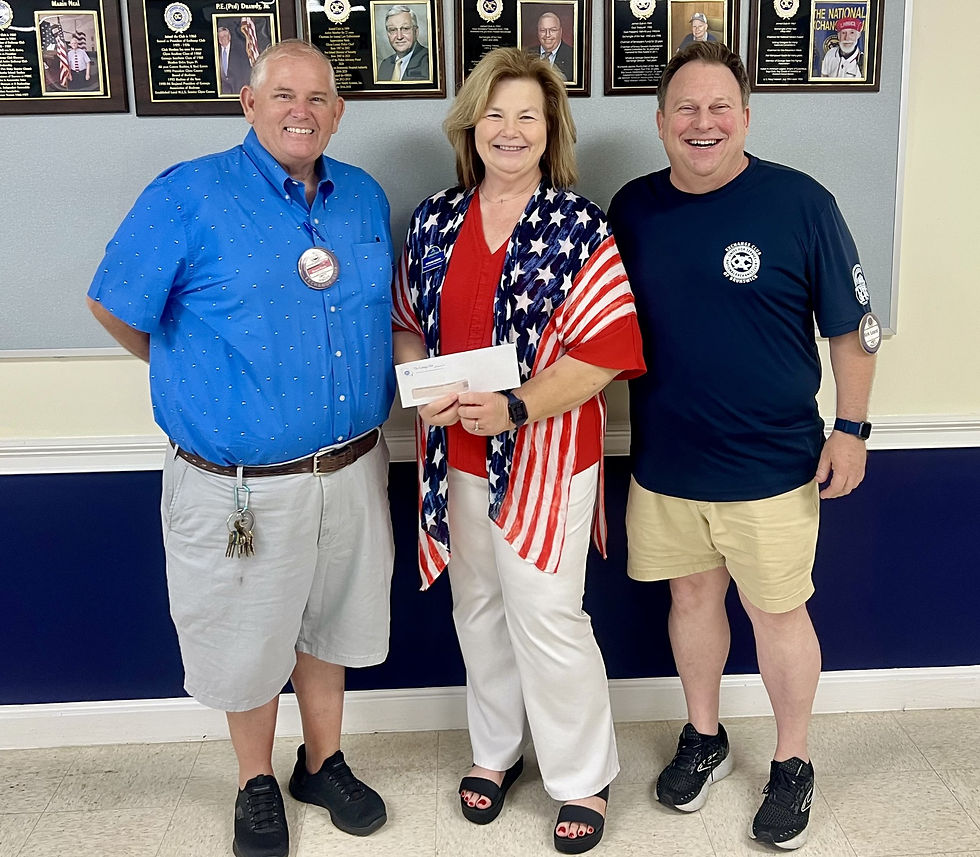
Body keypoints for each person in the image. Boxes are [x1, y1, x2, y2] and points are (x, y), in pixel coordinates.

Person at [87, 39, 395, 857]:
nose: (302, 110)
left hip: (353, 466)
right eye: (283, 94)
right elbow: (114, 305)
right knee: (248, 641)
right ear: (248, 105)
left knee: (330, 629)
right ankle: (256, 781)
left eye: (318, 97)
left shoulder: (362, 198)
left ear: (339, 111)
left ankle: (322, 762)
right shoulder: (188, 195)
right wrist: (194, 373)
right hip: (242, 487)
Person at [608, 41, 878, 850]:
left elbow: (853, 332)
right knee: (690, 601)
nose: (703, 123)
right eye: (685, 109)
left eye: (719, 107)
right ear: (660, 123)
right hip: (666, 462)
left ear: (746, 117)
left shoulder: (800, 203)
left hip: (772, 466)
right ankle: (705, 736)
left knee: (777, 613)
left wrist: (854, 429)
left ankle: (792, 759)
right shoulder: (632, 208)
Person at [392, 47, 644, 856]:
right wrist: (416, 384)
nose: (510, 129)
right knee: (479, 608)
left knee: (547, 614)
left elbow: (605, 351)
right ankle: (497, 751)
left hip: (545, 456)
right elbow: (405, 322)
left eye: (527, 115)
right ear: (471, 124)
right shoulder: (433, 217)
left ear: (550, 130)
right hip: (453, 456)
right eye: (495, 113)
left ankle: (581, 775)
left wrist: (516, 406)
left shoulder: (578, 224)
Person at [377, 5, 430, 81]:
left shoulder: (430, 61)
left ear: (416, 32)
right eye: (393, 30)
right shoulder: (385, 65)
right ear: (387, 34)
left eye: (405, 29)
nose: (399, 37)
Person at [525, 11, 573, 80]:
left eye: (553, 30)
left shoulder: (573, 56)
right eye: (543, 30)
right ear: (538, 32)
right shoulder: (527, 55)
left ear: (561, 31)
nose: (547, 35)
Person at [217, 25, 249, 94]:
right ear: (219, 40)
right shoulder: (216, 52)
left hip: (237, 88)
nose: (223, 38)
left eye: (225, 35)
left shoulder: (240, 51)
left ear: (230, 37)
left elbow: (245, 71)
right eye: (221, 36)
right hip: (222, 91)